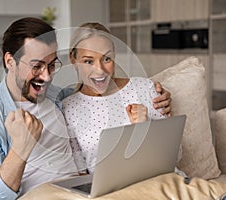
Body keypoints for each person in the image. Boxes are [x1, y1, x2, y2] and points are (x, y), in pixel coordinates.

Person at [0, 18, 172, 199]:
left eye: (51, 65)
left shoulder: (59, 97)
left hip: (84, 189)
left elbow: (97, 95)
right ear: (10, 61)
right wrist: (20, 150)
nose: (47, 76)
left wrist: (154, 94)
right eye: (37, 66)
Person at [62, 22, 169, 173]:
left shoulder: (144, 88)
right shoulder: (68, 109)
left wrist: (145, 126)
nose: (100, 71)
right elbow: (80, 172)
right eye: (88, 61)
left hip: (160, 182)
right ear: (74, 61)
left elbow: (176, 154)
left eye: (106, 59)